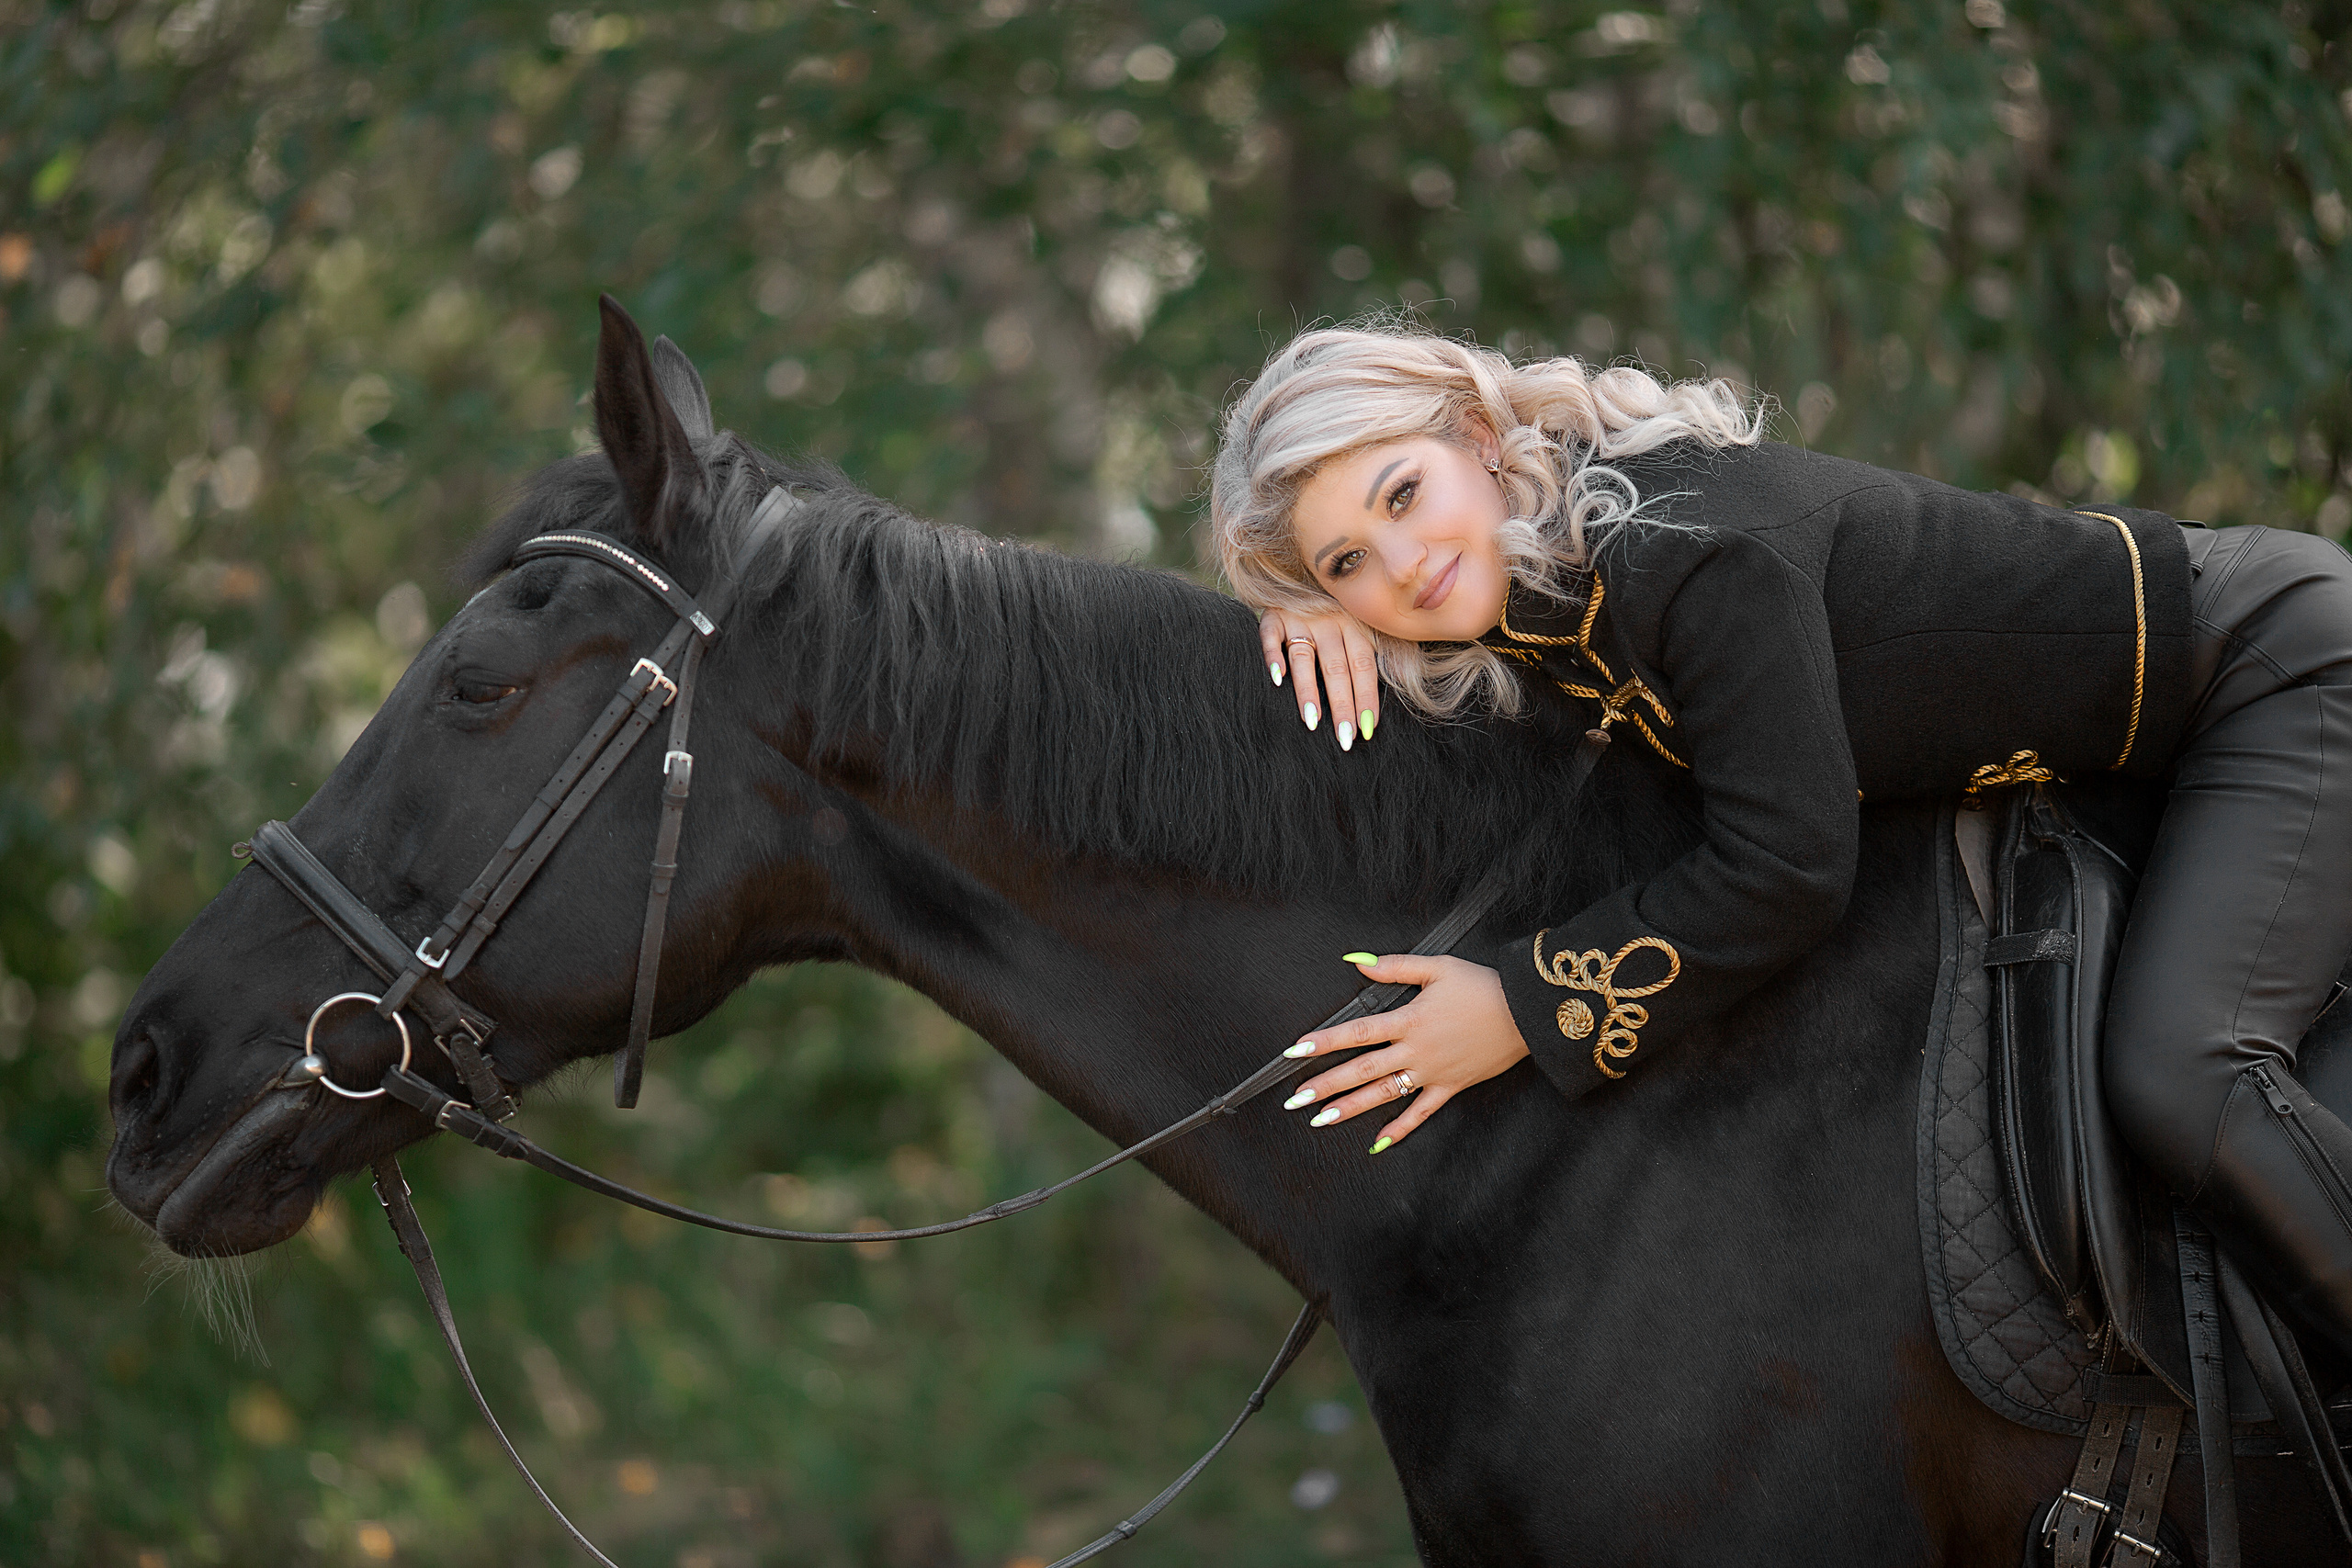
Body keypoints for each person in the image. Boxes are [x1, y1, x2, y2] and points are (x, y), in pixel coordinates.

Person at [1208, 321, 2352, 1355]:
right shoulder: (1544, 589)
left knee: (2181, 1074)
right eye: (1346, 561)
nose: (1399, 565)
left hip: (2263, 670)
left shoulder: (1684, 550)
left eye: (1401, 494)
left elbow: (1788, 868)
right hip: (2136, 752)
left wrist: (1522, 1008)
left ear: (1476, 436)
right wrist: (1300, 618)